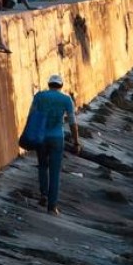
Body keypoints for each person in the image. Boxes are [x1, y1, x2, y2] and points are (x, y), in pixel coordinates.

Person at [27, 73, 80, 215]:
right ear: (61, 86)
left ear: (49, 84)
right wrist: (76, 142)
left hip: (41, 137)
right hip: (57, 138)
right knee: (55, 172)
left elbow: (31, 115)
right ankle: (52, 207)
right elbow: (73, 123)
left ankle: (44, 194)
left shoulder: (39, 96)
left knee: (42, 166)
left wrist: (28, 134)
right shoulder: (66, 99)